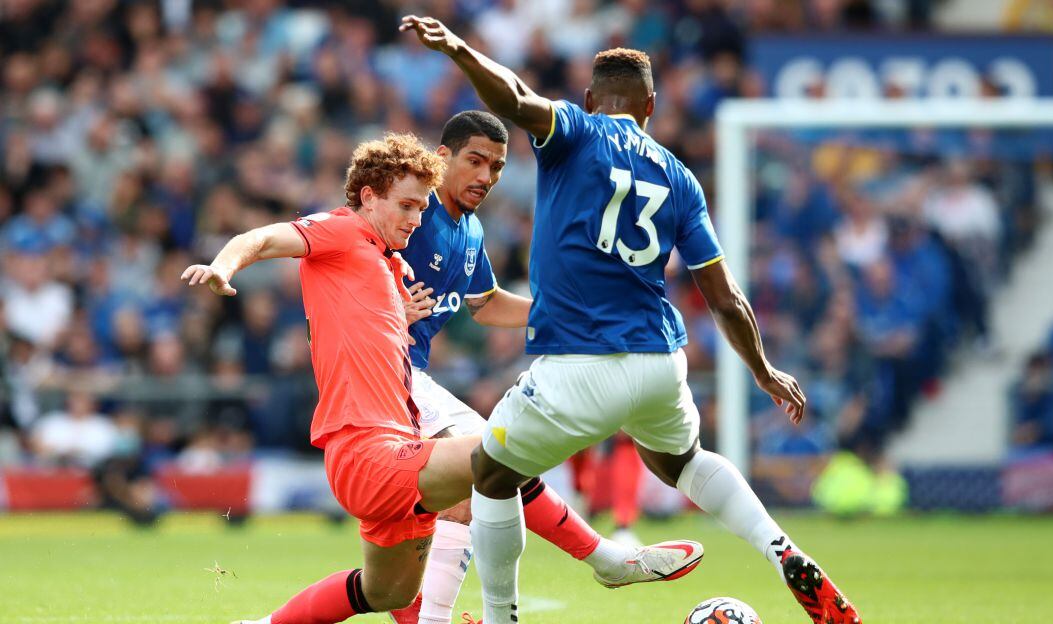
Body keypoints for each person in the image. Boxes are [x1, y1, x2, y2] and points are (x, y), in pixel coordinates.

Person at [400, 16, 861, 624]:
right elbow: (724, 297)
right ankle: (782, 549)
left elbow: (511, 98)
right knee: (682, 461)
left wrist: (457, 46)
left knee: (489, 475)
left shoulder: (576, 129)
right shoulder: (680, 176)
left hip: (580, 366)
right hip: (661, 363)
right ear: (650, 105)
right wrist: (765, 369)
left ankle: (499, 615)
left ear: (592, 99)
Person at [182, 132, 698, 624]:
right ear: (368, 197)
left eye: (422, 208)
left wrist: (397, 319)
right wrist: (224, 266)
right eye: (405, 205)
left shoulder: (391, 270)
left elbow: (357, 330)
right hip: (369, 452)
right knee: (503, 452)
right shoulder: (343, 230)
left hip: (383, 454)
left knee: (386, 591)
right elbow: (266, 236)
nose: (415, 217)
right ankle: (606, 559)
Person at [399, 110, 703, 624]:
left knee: (449, 502)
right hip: (380, 373)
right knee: (493, 454)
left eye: (495, 167)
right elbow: (346, 256)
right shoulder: (409, 209)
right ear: (440, 157)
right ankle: (607, 558)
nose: (485, 177)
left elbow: (487, 303)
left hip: (409, 376)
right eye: (475, 161)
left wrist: (568, 311)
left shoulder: (468, 231)